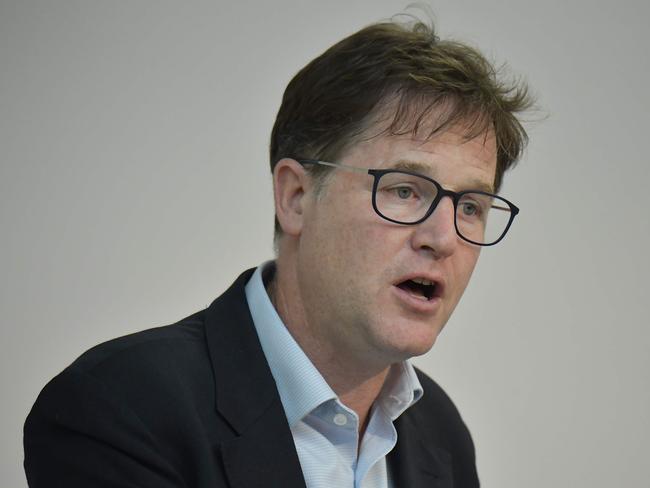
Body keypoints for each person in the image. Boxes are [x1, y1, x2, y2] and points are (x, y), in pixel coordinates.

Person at [24, 15, 532, 488]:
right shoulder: (120, 407)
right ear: (295, 198)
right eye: (404, 191)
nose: (442, 239)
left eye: (470, 206)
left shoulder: (441, 435)